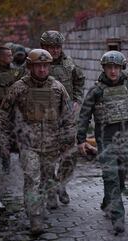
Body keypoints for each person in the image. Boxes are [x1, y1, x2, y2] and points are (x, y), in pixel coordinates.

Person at [0, 49, 76, 235]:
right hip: (28, 144)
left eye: (45, 65)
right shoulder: (19, 87)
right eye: (38, 66)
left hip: (52, 145)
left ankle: (49, 199)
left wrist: (68, 140)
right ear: (30, 66)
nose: (42, 69)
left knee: (46, 179)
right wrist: (4, 142)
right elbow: (4, 116)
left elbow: (68, 117)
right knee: (32, 179)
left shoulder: (58, 88)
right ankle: (35, 218)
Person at [77, 51, 128, 234]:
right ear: (104, 68)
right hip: (104, 138)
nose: (113, 71)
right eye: (109, 67)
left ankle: (108, 202)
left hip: (125, 138)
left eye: (116, 67)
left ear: (121, 68)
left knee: (121, 177)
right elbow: (84, 116)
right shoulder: (97, 90)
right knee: (110, 176)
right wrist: (81, 139)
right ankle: (118, 218)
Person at [40, 30, 85, 208]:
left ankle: (61, 184)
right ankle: (50, 191)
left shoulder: (69, 64)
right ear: (43, 47)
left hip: (66, 118)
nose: (54, 50)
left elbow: (80, 81)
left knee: (70, 156)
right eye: (50, 47)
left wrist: (77, 100)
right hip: (43, 120)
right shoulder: (36, 63)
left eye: (57, 47)